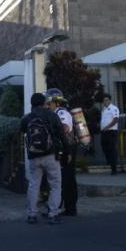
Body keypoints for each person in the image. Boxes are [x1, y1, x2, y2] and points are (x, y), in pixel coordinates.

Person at [20, 92, 68, 224]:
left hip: (34, 156)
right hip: (51, 155)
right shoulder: (52, 115)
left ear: (31, 104)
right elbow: (62, 135)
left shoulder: (27, 118)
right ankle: (53, 214)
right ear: (44, 103)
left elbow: (23, 131)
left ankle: (31, 215)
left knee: (34, 185)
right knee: (55, 184)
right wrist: (67, 151)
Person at [47, 88, 78, 217]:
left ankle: (70, 208)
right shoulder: (57, 113)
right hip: (64, 149)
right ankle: (64, 207)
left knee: (67, 179)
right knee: (63, 179)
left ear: (57, 102)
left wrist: (68, 152)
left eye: (50, 103)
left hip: (67, 150)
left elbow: (65, 131)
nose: (48, 105)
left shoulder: (62, 113)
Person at [100, 94, 121, 175]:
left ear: (109, 100)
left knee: (112, 149)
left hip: (111, 131)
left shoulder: (113, 108)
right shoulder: (104, 109)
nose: (104, 102)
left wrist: (108, 127)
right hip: (104, 132)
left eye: (106, 100)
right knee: (104, 146)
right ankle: (109, 161)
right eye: (104, 101)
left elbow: (116, 119)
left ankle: (114, 169)